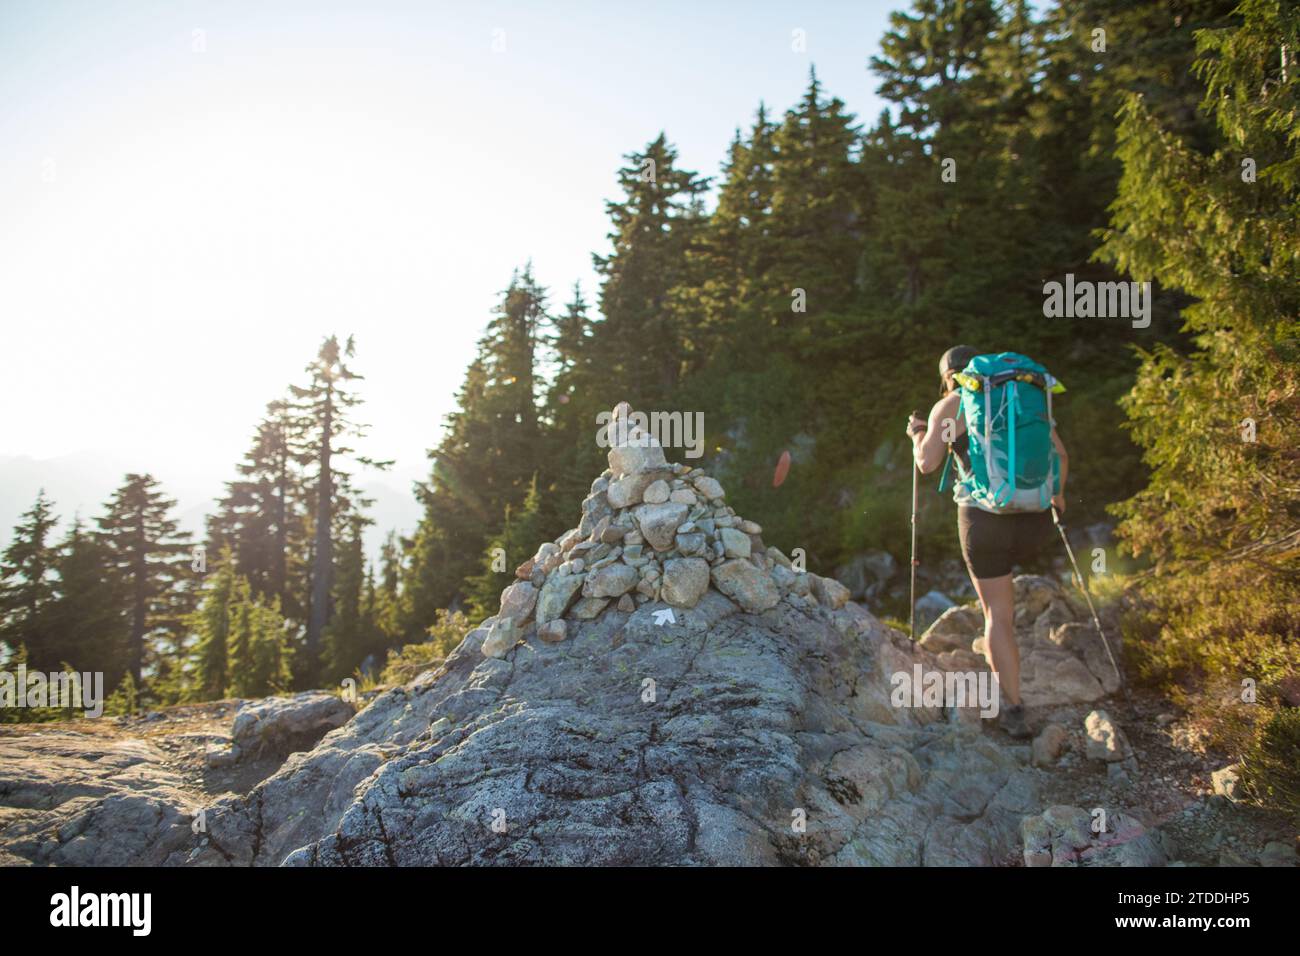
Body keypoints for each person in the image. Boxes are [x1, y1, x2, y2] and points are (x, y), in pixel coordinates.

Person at [906, 345, 1069, 739]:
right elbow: (1059, 453)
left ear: (949, 376)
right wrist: (1057, 498)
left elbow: (926, 464)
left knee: (998, 614)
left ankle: (1013, 707)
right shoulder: (1017, 396)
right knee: (1008, 602)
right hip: (1035, 518)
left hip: (986, 520)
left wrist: (918, 433)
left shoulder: (951, 404)